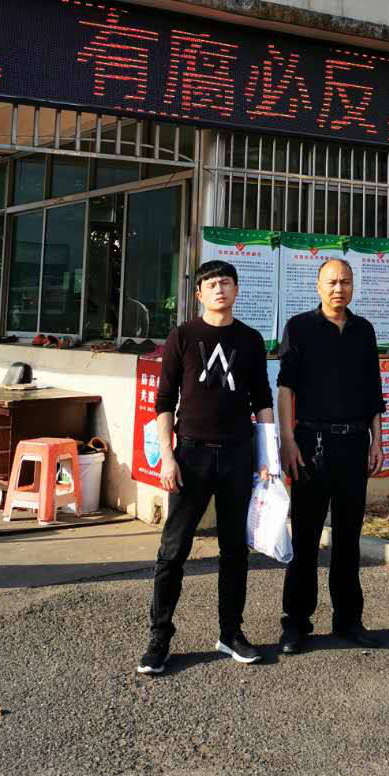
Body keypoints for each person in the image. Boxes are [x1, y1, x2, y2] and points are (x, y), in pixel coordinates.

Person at [138, 260, 276, 675]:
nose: (219, 289)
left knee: (234, 550)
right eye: (211, 284)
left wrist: (268, 459)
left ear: (237, 290)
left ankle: (231, 632)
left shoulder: (250, 340)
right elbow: (164, 402)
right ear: (199, 293)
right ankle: (159, 637)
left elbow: (262, 400)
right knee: (173, 550)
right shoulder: (182, 336)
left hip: (238, 454)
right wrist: (168, 456)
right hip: (191, 455)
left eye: (226, 282)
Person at [277, 258, 385, 654]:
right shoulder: (299, 328)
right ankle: (296, 622)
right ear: (318, 286)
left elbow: (373, 390)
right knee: (305, 537)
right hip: (311, 445)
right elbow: (285, 388)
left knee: (348, 537)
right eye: (332, 282)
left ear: (353, 286)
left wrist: (377, 440)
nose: (339, 288)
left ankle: (349, 619)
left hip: (354, 445)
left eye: (345, 282)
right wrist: (288, 440)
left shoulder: (363, 330)